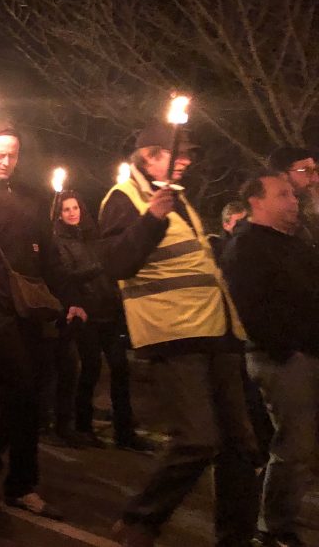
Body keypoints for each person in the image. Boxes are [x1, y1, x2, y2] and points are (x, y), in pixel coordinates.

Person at [100, 122, 257, 547]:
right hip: (174, 333)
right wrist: (151, 217)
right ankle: (139, 519)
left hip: (215, 331)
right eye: (177, 153)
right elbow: (116, 263)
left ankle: (236, 537)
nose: (186, 159)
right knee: (198, 440)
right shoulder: (123, 199)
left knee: (241, 445)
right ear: (148, 156)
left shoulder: (181, 200)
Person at [0, 121, 61, 519]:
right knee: (18, 387)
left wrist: (65, 299)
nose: (5, 161)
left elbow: (47, 252)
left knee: (28, 395)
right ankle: (19, 481)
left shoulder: (31, 196)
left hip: (29, 307)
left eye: (12, 155)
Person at [221, 172, 319, 547]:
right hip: (282, 358)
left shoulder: (295, 244)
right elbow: (251, 309)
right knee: (294, 445)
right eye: (283, 195)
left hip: (306, 351)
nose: (294, 202)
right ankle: (275, 527)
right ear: (257, 202)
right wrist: (286, 348)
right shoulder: (246, 246)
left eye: (294, 196)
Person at [48, 191, 149, 451]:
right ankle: (83, 426)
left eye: (75, 208)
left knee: (120, 368)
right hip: (86, 314)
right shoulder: (59, 242)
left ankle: (124, 432)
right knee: (90, 369)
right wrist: (99, 267)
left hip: (108, 311)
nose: (72, 213)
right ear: (59, 214)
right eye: (66, 209)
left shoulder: (94, 238)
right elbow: (68, 274)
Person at [267, 147, 319, 248]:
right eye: (306, 171)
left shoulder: (306, 214)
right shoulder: (273, 225)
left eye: (316, 170)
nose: (316, 179)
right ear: (282, 175)